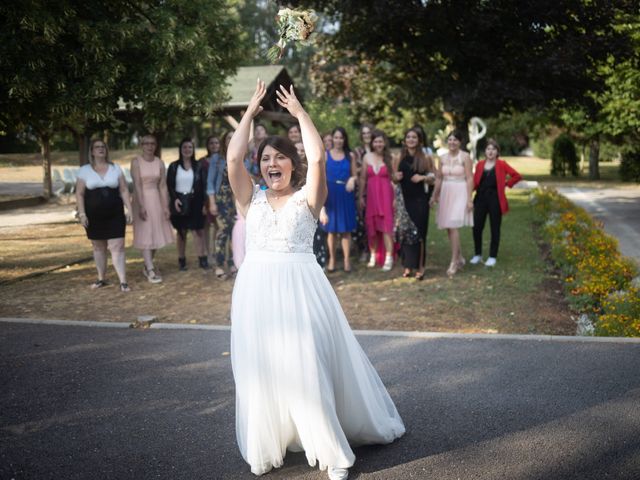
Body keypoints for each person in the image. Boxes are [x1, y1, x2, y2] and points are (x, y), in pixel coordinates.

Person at [227, 79, 404, 480]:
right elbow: (232, 160)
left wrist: (301, 113)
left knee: (307, 366)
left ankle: (331, 453)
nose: (272, 163)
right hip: (255, 292)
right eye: (266, 158)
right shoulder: (249, 198)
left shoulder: (309, 196)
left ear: (293, 162)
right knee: (261, 368)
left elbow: (321, 159)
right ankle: (265, 443)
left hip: (301, 290)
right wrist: (250, 111)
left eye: (280, 157)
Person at [75, 139, 133, 292]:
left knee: (118, 246)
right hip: (94, 216)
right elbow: (79, 193)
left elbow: (124, 190)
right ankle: (101, 278)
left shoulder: (115, 168)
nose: (101, 149)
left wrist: (130, 209)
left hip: (115, 214)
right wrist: (82, 214)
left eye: (103, 147)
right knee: (98, 247)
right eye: (97, 147)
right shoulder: (84, 170)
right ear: (92, 151)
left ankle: (123, 281)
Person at [470, 139, 522, 267]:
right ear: (485, 151)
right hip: (480, 198)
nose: (490, 151)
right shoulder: (480, 164)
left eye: (493, 149)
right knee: (476, 227)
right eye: (488, 149)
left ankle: (492, 256)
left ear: (497, 152)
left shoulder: (502, 164)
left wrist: (506, 184)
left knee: (495, 228)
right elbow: (475, 182)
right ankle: (478, 254)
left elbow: (517, 176)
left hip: (495, 199)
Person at [130, 135, 174, 283]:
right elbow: (136, 184)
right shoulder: (136, 162)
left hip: (156, 199)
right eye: (146, 143)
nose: (149, 146)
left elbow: (162, 185)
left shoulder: (159, 163)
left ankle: (147, 264)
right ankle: (150, 269)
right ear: (141, 145)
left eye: (152, 143)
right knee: (146, 233)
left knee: (156, 233)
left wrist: (165, 206)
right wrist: (141, 205)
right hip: (141, 199)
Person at [430, 129, 474, 277]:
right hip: (446, 192)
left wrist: (469, 199)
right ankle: (460, 257)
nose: (452, 142)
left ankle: (454, 261)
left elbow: (469, 178)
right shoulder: (441, 158)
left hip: (460, 191)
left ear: (460, 142)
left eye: (455, 140)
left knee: (453, 226)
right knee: (449, 227)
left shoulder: (465, 157)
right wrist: (435, 195)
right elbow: (439, 178)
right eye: (450, 140)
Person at [394, 128, 436, 280]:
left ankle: (421, 267)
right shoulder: (399, 157)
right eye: (408, 137)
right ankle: (407, 266)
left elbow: (433, 177)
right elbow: (394, 179)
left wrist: (422, 178)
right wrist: (395, 177)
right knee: (405, 233)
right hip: (404, 201)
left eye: (414, 137)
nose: (411, 139)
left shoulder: (425, 157)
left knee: (420, 234)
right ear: (405, 140)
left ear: (419, 140)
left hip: (420, 201)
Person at [166, 138, 208, 271]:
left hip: (195, 201)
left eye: (190, 147)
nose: (187, 150)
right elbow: (170, 185)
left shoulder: (198, 165)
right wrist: (174, 199)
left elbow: (203, 186)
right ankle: (181, 260)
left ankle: (202, 259)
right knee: (181, 232)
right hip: (179, 201)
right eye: (185, 147)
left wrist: (203, 204)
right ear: (180, 149)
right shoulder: (173, 166)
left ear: (193, 149)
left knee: (198, 231)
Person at [359, 130, 395, 271]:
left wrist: (395, 200)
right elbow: (362, 178)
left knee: (387, 227)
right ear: (372, 143)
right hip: (372, 197)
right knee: (372, 227)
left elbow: (394, 181)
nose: (378, 144)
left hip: (386, 197)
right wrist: (361, 196)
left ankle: (389, 257)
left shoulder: (390, 158)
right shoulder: (367, 157)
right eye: (376, 141)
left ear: (384, 143)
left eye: (381, 141)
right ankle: (373, 255)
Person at [323, 127, 357, 273]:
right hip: (330, 195)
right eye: (335, 138)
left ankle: (346, 260)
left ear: (344, 140)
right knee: (331, 230)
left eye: (341, 138)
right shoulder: (325, 155)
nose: (338, 140)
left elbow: (355, 174)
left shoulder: (350, 156)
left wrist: (352, 179)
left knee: (345, 230)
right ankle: (332, 259)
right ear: (332, 139)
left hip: (345, 194)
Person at [207, 131, 237, 279]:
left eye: (234, 137)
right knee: (223, 230)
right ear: (224, 141)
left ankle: (232, 262)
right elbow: (210, 183)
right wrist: (212, 202)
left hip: (235, 201)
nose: (231, 140)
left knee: (234, 231)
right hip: (220, 200)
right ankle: (218, 264)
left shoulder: (239, 157)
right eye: (228, 138)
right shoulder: (216, 159)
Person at [353, 124, 373, 263]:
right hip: (361, 189)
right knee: (362, 221)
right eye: (364, 133)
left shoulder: (377, 148)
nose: (367, 135)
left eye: (369, 133)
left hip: (376, 189)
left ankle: (375, 250)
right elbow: (355, 171)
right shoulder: (357, 152)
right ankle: (364, 250)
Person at [200, 135, 221, 262]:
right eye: (211, 143)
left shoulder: (222, 160)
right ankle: (207, 253)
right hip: (205, 198)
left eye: (216, 143)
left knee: (218, 226)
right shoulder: (202, 162)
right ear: (207, 146)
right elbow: (201, 182)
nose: (214, 145)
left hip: (218, 197)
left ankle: (215, 252)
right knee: (206, 226)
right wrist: (203, 202)